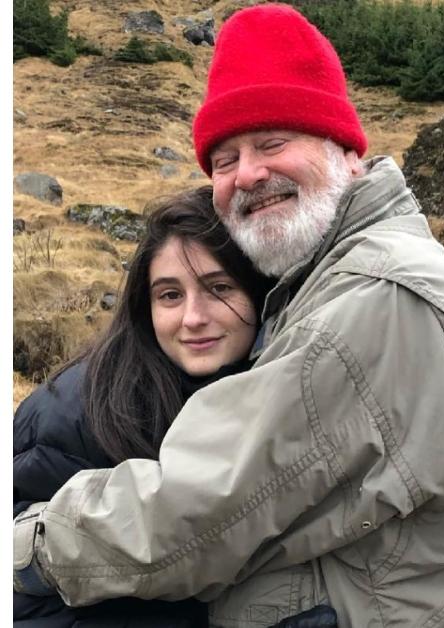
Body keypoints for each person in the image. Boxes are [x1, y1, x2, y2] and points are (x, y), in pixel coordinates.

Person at [14, 4, 444, 627]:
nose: (250, 174)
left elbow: (196, 515)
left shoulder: (368, 301)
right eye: (225, 159)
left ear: (346, 150)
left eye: (272, 142)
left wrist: (25, 545)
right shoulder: (341, 274)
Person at [14, 187, 273, 627]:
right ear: (144, 305)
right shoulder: (82, 412)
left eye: (219, 288)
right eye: (170, 295)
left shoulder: (272, 393)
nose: (193, 317)